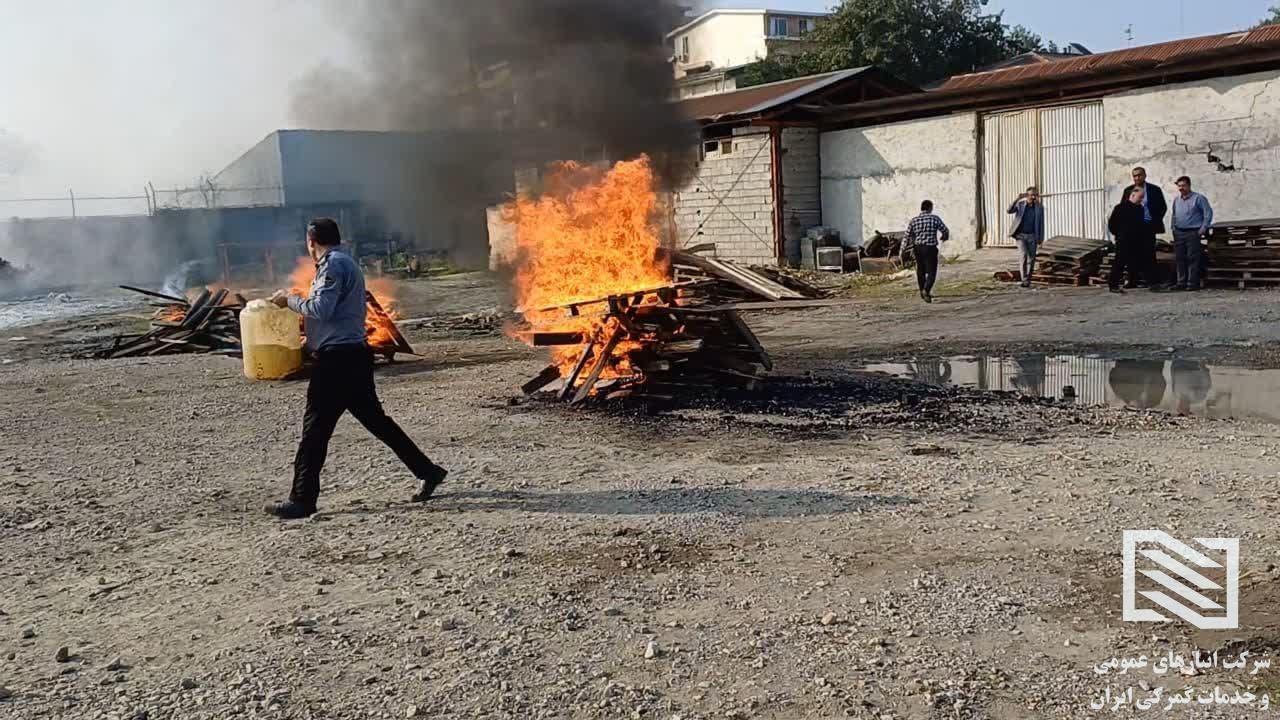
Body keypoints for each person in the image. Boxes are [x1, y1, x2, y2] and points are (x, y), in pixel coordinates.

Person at [264, 218, 448, 520]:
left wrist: (290, 301)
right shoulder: (341, 262)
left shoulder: (333, 265)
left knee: (315, 431)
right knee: (377, 423)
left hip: (338, 362)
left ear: (311, 242)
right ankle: (428, 471)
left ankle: (302, 499)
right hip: (351, 356)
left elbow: (322, 309)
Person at [1119, 167, 1167, 289]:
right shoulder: (1128, 190)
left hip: (1148, 228)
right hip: (1133, 229)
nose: (1137, 178)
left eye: (1139, 175)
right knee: (1132, 254)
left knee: (1149, 254)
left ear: (1145, 175)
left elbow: (1162, 207)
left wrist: (1153, 220)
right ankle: (1132, 280)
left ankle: (1152, 281)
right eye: (1134, 176)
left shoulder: (1154, 190)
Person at [1169, 175, 1214, 291]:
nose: (1181, 188)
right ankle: (1181, 282)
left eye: (1183, 186)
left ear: (1189, 186)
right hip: (1179, 232)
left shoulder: (1198, 198)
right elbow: (1174, 215)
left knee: (1192, 258)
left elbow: (1208, 213)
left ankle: (1192, 283)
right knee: (1180, 258)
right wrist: (1173, 228)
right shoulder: (1177, 200)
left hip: (1193, 232)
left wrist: (1203, 228)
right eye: (1179, 186)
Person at [906, 199, 950, 303]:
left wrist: (902, 250)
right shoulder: (934, 218)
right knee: (931, 271)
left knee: (920, 270)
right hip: (930, 248)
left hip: (918, 248)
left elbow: (907, 236)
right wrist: (944, 236)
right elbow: (945, 230)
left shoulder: (914, 220)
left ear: (921, 208)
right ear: (930, 208)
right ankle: (926, 290)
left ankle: (922, 291)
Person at [1107, 186, 1149, 294]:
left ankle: (1132, 282)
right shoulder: (1120, 208)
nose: (1141, 200)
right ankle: (1113, 284)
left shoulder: (1140, 209)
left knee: (1134, 262)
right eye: (1140, 197)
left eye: (1142, 197)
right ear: (1133, 195)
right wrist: (1119, 235)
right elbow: (1112, 224)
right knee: (1119, 262)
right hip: (1123, 240)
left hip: (1136, 240)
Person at [1007, 186, 1045, 288]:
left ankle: (1028, 279)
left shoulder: (1039, 207)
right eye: (1031, 195)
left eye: (1035, 195)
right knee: (1023, 255)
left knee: (1031, 259)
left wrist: (1040, 238)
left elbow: (1041, 224)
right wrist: (1017, 199)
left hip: (1032, 235)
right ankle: (1024, 279)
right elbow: (1009, 210)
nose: (1033, 197)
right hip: (1020, 235)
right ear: (1027, 195)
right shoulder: (1020, 204)